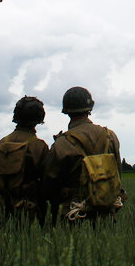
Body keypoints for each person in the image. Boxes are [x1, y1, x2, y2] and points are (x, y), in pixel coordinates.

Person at [43, 86, 126, 224]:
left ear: (67, 111)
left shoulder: (62, 143)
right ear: (89, 108)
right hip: (106, 215)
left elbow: (49, 184)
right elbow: (118, 173)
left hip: (74, 214)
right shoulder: (110, 136)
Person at [0, 96, 49, 225]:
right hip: (29, 211)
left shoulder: (1, 143)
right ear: (39, 118)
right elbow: (47, 182)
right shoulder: (39, 146)